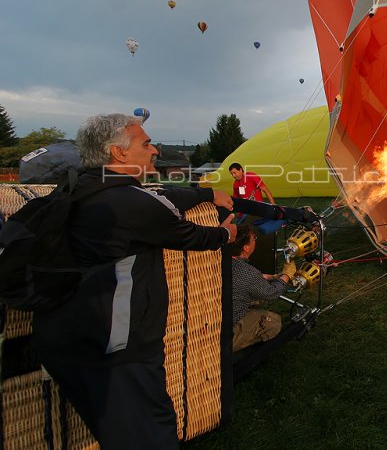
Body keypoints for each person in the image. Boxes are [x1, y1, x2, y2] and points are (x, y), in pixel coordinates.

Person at [31, 113, 238, 449]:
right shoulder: (131, 204)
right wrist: (226, 233)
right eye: (145, 142)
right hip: (115, 353)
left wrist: (205, 193)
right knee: (150, 437)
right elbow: (190, 235)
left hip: (62, 339)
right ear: (119, 153)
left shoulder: (78, 187)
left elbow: (160, 195)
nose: (154, 148)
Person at [230, 224, 298, 351]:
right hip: (227, 332)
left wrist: (274, 276)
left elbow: (254, 278)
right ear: (246, 247)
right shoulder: (247, 273)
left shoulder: (224, 260)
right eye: (253, 238)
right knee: (274, 322)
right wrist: (287, 276)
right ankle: (238, 348)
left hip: (219, 318)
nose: (256, 239)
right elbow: (270, 293)